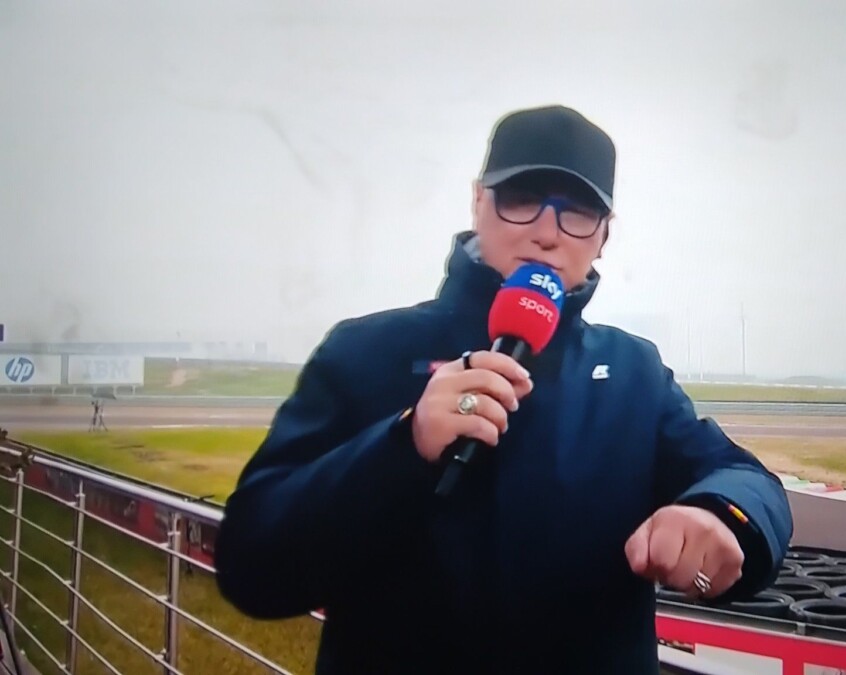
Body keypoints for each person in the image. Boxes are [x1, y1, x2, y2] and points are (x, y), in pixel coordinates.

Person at [215, 104, 793, 674]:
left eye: (578, 212)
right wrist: (402, 446)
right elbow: (252, 566)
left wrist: (719, 516)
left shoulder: (632, 372)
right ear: (478, 202)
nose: (546, 232)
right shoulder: (364, 351)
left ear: (603, 236)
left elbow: (746, 481)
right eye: (521, 198)